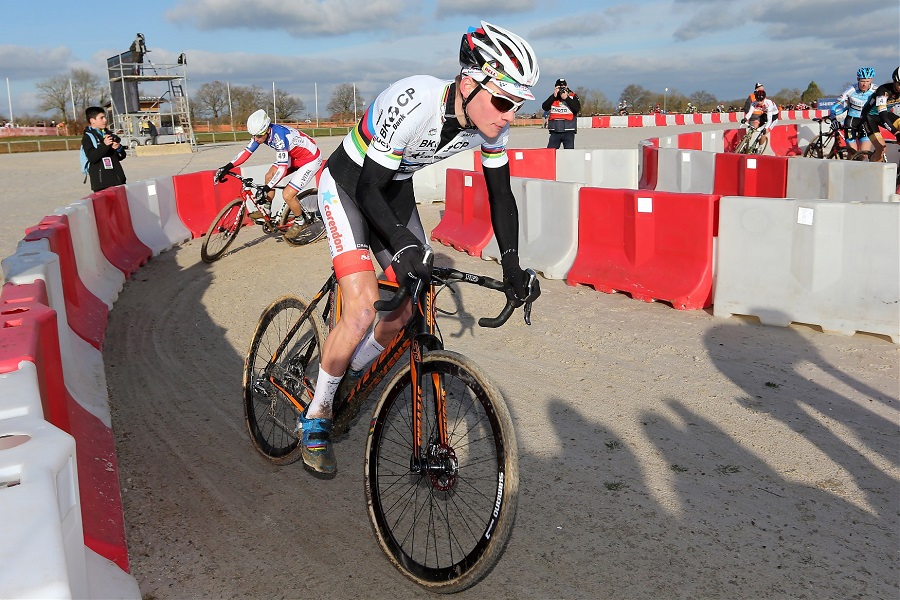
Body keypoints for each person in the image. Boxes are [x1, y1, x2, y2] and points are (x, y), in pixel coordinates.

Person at [298, 20, 541, 473]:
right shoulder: (415, 99)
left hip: (395, 190)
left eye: (518, 105)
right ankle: (317, 413)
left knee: (408, 308)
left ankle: (350, 369)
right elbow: (369, 186)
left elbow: (500, 195)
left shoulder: (490, 124)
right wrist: (401, 243)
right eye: (505, 101)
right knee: (363, 309)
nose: (510, 115)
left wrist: (512, 264)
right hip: (351, 185)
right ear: (469, 82)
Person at [214, 110, 324, 243]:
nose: (256, 139)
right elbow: (246, 152)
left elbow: (282, 169)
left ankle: (301, 220)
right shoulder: (261, 134)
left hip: (310, 159)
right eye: (253, 136)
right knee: (269, 175)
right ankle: (266, 208)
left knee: (288, 194)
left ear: (266, 130)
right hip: (294, 156)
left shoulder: (279, 137)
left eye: (258, 136)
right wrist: (228, 166)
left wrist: (267, 188)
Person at [831, 67, 876, 153]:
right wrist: (833, 119)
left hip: (865, 122)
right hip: (851, 122)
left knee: (864, 154)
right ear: (858, 79)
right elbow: (834, 107)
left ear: (871, 80)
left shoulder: (876, 90)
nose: (864, 84)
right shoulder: (850, 90)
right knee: (852, 153)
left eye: (867, 81)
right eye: (862, 81)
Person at [82, 106, 127, 192]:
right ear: (92, 121)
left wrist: (118, 148)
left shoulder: (109, 134)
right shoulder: (88, 137)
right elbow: (92, 157)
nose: (105, 120)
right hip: (102, 183)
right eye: (101, 118)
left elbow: (121, 156)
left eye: (105, 117)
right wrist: (104, 145)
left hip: (118, 180)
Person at [861, 66, 900, 163]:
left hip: (885, 114)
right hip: (869, 117)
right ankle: (873, 172)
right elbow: (883, 116)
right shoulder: (883, 91)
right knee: (881, 149)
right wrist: (896, 133)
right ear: (894, 82)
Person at [542, 77, 580, 149]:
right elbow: (545, 107)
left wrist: (566, 98)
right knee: (551, 153)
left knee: (569, 154)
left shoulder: (572, 96)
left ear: (566, 87)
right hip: (555, 131)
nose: (561, 89)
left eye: (563, 87)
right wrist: (553, 96)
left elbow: (577, 109)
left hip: (569, 130)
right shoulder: (553, 97)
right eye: (559, 87)